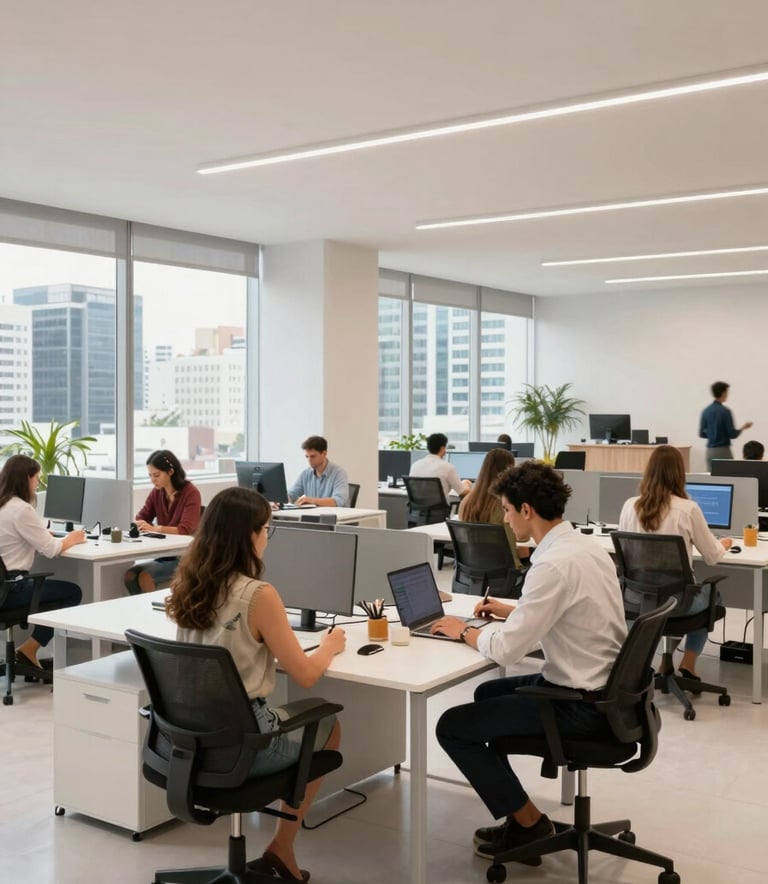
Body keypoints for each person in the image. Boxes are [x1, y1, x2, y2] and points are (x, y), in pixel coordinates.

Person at [431, 462, 626, 862]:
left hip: (578, 705)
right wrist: (513, 611)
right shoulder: (583, 547)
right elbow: (564, 608)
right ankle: (519, 816)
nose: (504, 517)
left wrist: (462, 631)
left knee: (452, 727)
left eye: (505, 509)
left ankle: (528, 821)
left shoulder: (551, 564)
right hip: (610, 692)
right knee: (487, 692)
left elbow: (506, 651)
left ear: (526, 510)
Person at [167, 486, 345, 882]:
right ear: (249, 535)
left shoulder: (189, 583)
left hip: (188, 741)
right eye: (266, 529)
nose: (268, 537)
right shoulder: (258, 594)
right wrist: (331, 645)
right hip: (244, 745)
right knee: (330, 726)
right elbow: (305, 674)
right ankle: (282, 846)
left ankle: (279, 848)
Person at [619, 444, 729, 681]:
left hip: (636, 599)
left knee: (684, 590)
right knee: (711, 593)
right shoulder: (687, 509)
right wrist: (726, 543)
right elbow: (713, 556)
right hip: (677, 604)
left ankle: (665, 662)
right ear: (680, 474)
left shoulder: (630, 506)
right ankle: (688, 663)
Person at [0, 455, 84, 672]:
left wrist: (38, 536)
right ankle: (30, 647)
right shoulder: (21, 509)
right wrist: (73, 538)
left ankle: (29, 649)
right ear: (26, 478)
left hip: (4, 587)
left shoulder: (4, 505)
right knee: (73, 592)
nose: (37, 484)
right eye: (36, 478)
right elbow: (52, 549)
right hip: (13, 590)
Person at [123, 450, 201, 594]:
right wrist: (142, 524)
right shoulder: (157, 492)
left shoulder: (191, 493)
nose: (153, 480)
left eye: (157, 475)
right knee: (130, 574)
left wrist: (155, 528)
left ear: (170, 472)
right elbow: (142, 516)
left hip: (186, 557)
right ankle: (140, 612)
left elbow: (185, 529)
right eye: (150, 475)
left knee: (145, 577)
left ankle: (150, 614)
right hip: (165, 555)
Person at [458, 447, 524, 567]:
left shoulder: (466, 502)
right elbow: (519, 540)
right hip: (506, 573)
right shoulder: (505, 505)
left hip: (472, 572)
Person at [699, 381, 752, 469]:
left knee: (712, 479)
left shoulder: (706, 411)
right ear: (723, 393)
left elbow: (701, 433)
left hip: (710, 451)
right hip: (723, 451)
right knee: (728, 478)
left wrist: (712, 435)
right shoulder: (725, 411)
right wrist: (743, 428)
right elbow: (732, 434)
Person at [287, 435, 349, 507]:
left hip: (333, 516)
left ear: (324, 454)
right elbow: (292, 494)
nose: (309, 460)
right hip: (312, 516)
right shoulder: (306, 474)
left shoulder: (339, 473)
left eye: (313, 456)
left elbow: (338, 501)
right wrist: (277, 500)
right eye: (307, 456)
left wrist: (312, 501)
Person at [408, 432, 472, 499]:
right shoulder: (447, 467)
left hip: (417, 508)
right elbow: (462, 493)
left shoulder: (415, 465)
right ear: (442, 448)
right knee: (467, 484)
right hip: (440, 508)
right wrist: (467, 485)